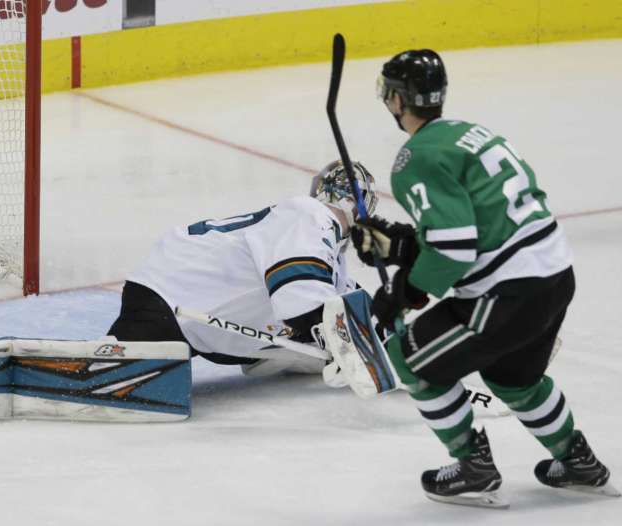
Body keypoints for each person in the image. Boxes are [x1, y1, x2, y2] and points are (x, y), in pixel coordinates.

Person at [353, 49, 617, 507]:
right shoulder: (470, 133)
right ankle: (578, 463)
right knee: (514, 378)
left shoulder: (414, 159)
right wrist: (400, 245)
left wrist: (404, 291)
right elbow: (482, 225)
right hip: (554, 276)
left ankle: (472, 469)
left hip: (506, 293)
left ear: (396, 100)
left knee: (409, 359)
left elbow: (455, 248)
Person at [108, 160, 376, 377]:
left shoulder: (330, 254)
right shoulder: (310, 214)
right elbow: (301, 294)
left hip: (195, 319)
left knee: (310, 335)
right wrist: (336, 336)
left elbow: (351, 307)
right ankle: (108, 363)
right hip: (171, 296)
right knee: (118, 368)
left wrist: (386, 333)